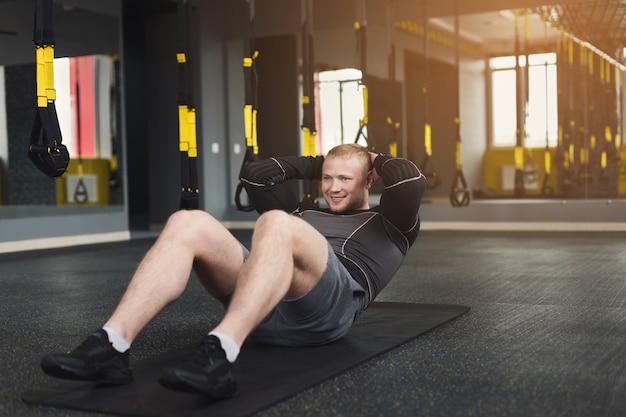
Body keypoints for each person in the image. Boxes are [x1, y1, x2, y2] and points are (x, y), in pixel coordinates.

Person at [40, 143, 425, 398]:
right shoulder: (302, 212)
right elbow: (257, 175)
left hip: (328, 310)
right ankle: (112, 345)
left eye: (345, 178)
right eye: (327, 177)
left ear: (369, 179)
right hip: (263, 305)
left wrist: (373, 159)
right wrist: (318, 162)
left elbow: (409, 179)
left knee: (275, 222)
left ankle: (220, 354)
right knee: (186, 222)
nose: (333, 187)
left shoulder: (393, 221)